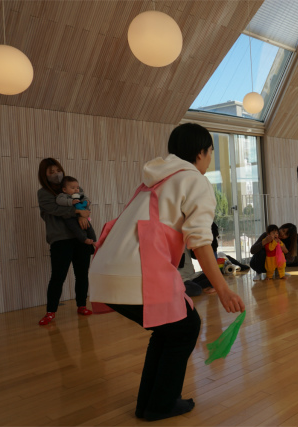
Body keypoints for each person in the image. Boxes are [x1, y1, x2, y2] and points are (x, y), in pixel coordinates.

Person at [88, 123, 245, 421]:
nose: (209, 159)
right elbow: (201, 242)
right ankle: (160, 404)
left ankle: (151, 403)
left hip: (104, 270)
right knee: (185, 328)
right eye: (210, 152)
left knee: (169, 329)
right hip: (135, 272)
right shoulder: (194, 180)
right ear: (200, 153)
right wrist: (223, 289)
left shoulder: (153, 182)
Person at [37, 158, 94, 326]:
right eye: (51, 172)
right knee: (58, 276)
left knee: (82, 274)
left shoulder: (73, 186)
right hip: (60, 239)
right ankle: (50, 311)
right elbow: (55, 209)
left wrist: (83, 212)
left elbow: (85, 203)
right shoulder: (43, 193)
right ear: (44, 175)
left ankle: (82, 305)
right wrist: (78, 212)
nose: (56, 174)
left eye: (58, 170)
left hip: (81, 237)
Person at [55, 176, 98, 246]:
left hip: (81, 215)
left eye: (77, 188)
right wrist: (71, 202)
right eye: (73, 188)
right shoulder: (63, 196)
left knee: (89, 227)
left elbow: (85, 198)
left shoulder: (79, 194)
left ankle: (94, 240)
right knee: (76, 229)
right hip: (70, 217)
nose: (76, 190)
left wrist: (87, 201)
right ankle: (84, 239)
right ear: (64, 190)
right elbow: (59, 201)